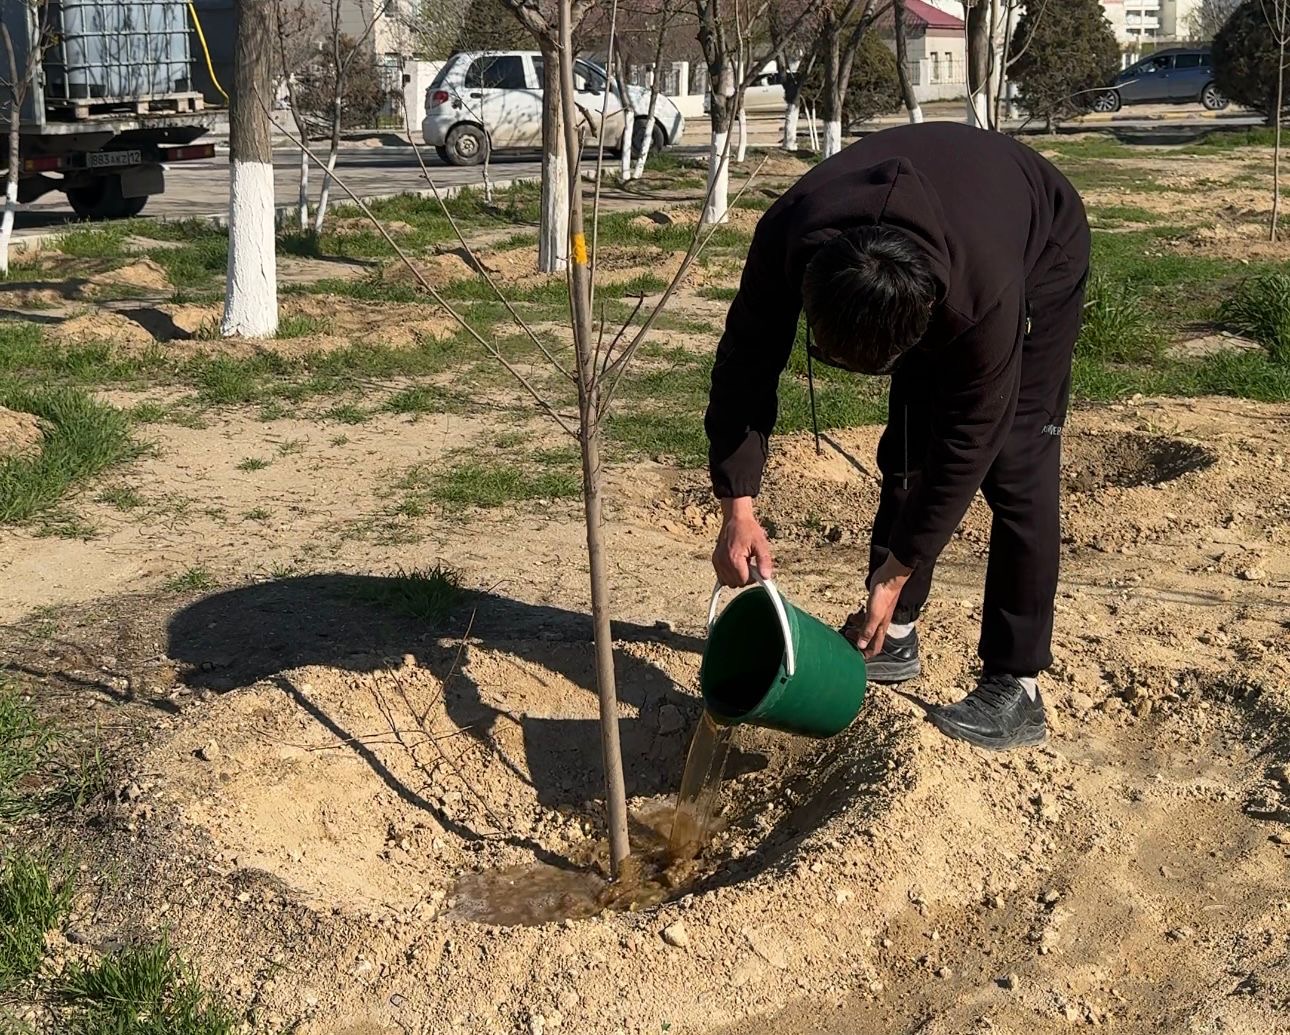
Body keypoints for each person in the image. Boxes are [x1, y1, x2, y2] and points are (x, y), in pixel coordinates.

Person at [705, 122, 1090, 751]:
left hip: (1039, 240)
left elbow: (971, 440)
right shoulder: (786, 234)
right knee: (909, 437)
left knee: (1017, 460)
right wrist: (736, 509)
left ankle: (1017, 684)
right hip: (935, 236)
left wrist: (897, 569)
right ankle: (896, 634)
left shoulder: (983, 294)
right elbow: (744, 368)